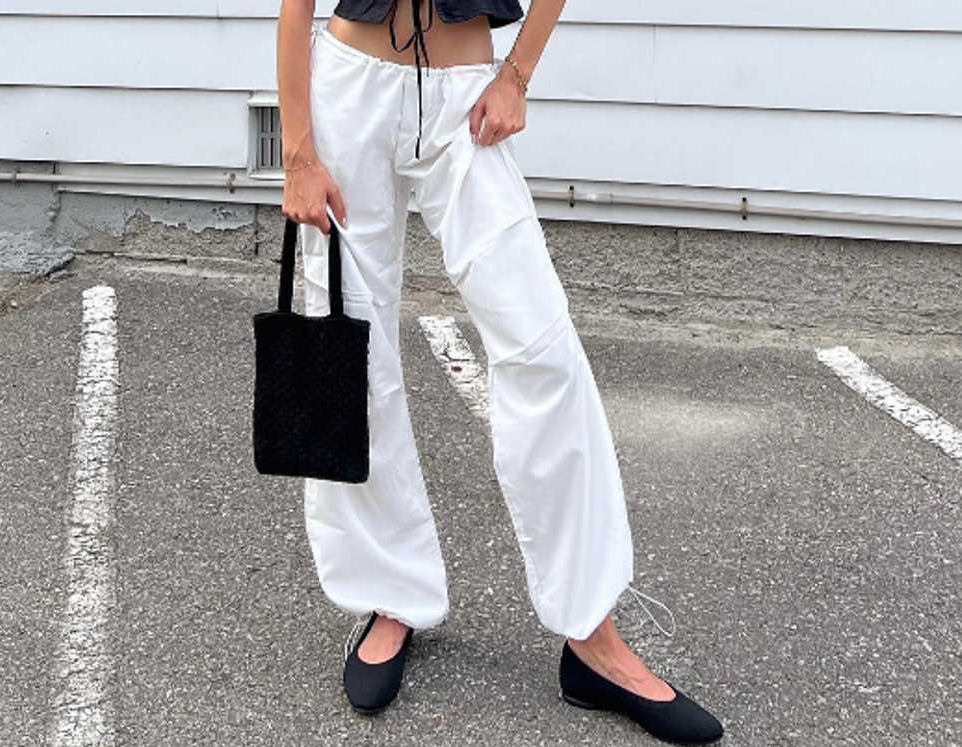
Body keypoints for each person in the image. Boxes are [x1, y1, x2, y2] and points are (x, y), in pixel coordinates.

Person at [275, 1, 724, 743]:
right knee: (348, 356)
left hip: (463, 97)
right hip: (349, 90)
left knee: (541, 348)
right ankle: (390, 593)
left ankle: (592, 635)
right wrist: (298, 153)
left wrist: (516, 75)